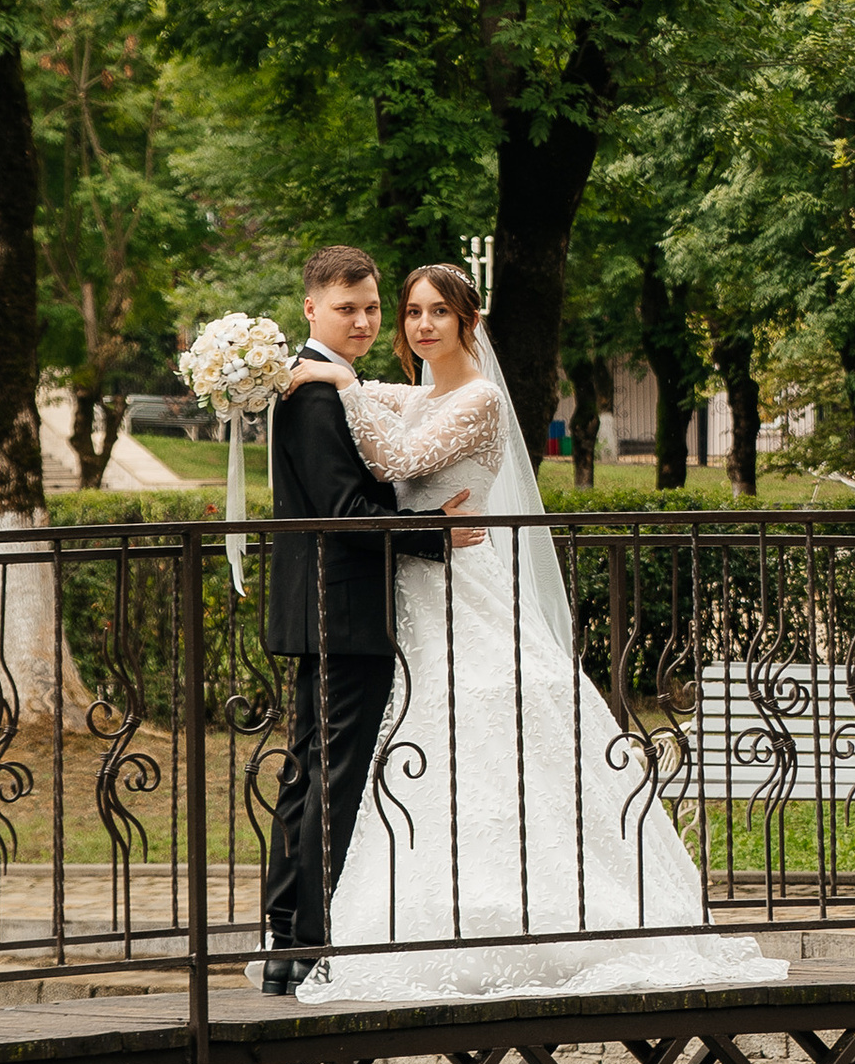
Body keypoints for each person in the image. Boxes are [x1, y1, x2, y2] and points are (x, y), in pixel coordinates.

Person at [301, 260, 784, 1003]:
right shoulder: (419, 394)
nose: (423, 324)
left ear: (469, 321)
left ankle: (547, 913)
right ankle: (436, 909)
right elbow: (379, 403)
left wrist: (339, 382)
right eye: (413, 312)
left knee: (491, 725)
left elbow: (393, 458)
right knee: (433, 743)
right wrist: (332, 378)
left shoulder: (481, 399)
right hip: (417, 593)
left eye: (439, 311)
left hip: (467, 585)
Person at [256, 247, 482, 997]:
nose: (363, 321)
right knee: (332, 776)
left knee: (309, 770)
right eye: (346, 307)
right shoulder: (316, 395)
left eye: (371, 308)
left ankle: (287, 937)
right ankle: (307, 941)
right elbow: (345, 512)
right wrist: (433, 532)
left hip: (325, 603)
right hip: (343, 606)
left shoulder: (325, 382)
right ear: (311, 308)